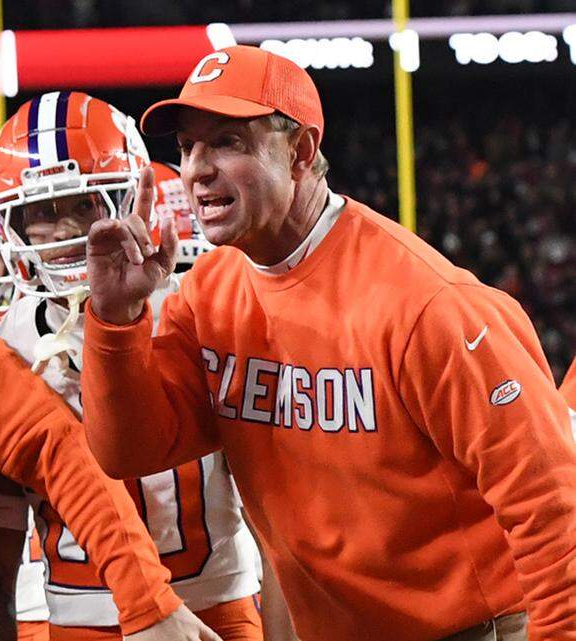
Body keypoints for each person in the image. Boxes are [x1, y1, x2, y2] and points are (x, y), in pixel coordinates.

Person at [80, 45, 576, 641]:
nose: (196, 170)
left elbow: (551, 503)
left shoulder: (427, 303)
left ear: (300, 152)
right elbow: (129, 451)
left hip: (473, 628)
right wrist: (116, 319)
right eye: (187, 147)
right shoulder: (208, 294)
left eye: (228, 143)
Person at [0, 92, 262, 641]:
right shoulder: (2, 344)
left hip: (218, 604)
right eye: (40, 213)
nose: (64, 231)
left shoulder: (197, 312)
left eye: (84, 206)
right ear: (10, 224)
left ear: (130, 199)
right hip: (78, 618)